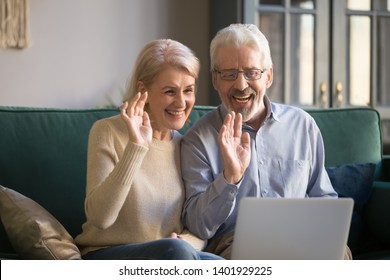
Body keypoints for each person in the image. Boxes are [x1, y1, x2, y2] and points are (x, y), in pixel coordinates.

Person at [180, 23, 352, 260]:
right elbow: (198, 225)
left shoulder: (303, 126)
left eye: (251, 73)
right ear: (215, 80)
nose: (241, 85)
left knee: (340, 254)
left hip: (301, 236)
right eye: (229, 74)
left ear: (268, 76)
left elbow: (324, 197)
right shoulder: (197, 140)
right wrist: (230, 177)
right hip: (234, 243)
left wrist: (323, 231)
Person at [75, 39, 222, 260]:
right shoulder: (107, 132)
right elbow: (100, 218)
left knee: (224, 266)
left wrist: (185, 241)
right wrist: (136, 147)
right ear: (142, 90)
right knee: (177, 253)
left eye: (188, 90)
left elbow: (199, 223)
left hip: (171, 256)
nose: (182, 102)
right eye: (170, 91)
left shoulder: (188, 146)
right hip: (107, 255)